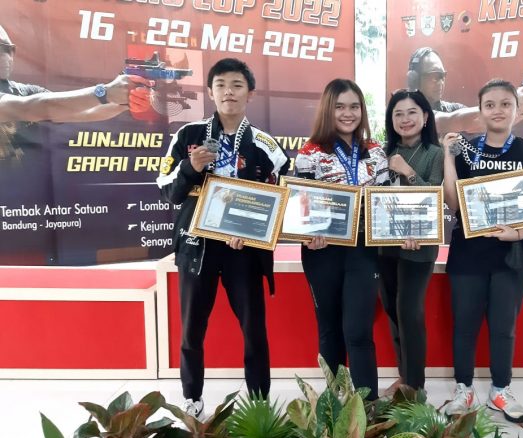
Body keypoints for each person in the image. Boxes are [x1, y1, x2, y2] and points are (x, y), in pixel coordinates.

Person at [156, 58, 289, 417]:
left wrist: (250, 233)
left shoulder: (266, 145)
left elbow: (281, 198)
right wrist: (192, 167)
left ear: (250, 93)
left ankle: (259, 402)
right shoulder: (188, 136)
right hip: (196, 247)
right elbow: (168, 190)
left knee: (254, 329)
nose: (229, 92)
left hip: (243, 251)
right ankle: (192, 398)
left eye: (237, 85)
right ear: (210, 92)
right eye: (221, 85)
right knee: (192, 329)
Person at [441, 79, 523, 423]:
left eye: (506, 104)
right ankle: (464, 389)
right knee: (465, 325)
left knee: (504, 327)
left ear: (517, 110)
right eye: (490, 104)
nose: (498, 110)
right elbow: (453, 203)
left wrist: (518, 232)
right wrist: (447, 158)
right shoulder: (466, 151)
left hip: (511, 256)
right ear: (480, 111)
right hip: (468, 254)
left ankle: (500, 391)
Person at [294, 78, 389, 400]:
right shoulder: (309, 152)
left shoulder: (375, 152)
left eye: (354, 106)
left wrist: (403, 231)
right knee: (330, 328)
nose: (348, 113)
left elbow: (385, 203)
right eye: (340, 107)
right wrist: (307, 235)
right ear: (327, 110)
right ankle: (336, 404)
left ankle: (368, 407)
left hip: (363, 251)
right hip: (323, 252)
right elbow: (301, 205)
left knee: (358, 331)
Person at [0, 25, 149, 161]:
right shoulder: (32, 102)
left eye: (9, 49)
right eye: (1, 49)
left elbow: (87, 112)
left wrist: (126, 101)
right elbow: (34, 108)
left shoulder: (25, 92)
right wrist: (105, 92)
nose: (6, 56)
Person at [378, 89, 443, 393]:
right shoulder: (382, 152)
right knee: (392, 309)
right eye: (398, 114)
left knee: (409, 311)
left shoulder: (435, 153)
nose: (405, 119)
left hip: (420, 244)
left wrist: (407, 172)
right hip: (385, 242)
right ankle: (404, 376)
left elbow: (435, 195)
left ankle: (415, 385)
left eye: (412, 112)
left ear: (425, 116)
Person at [405, 47, 523, 135]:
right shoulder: (407, 113)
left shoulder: (450, 108)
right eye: (434, 76)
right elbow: (455, 121)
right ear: (414, 79)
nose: (440, 82)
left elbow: (482, 122)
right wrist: (513, 102)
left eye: (442, 76)